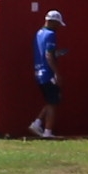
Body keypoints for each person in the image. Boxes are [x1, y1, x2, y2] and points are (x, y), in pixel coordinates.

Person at [30, 9, 65, 139]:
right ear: (52, 22)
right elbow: (48, 55)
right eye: (58, 24)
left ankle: (37, 123)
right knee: (53, 102)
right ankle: (47, 132)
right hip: (48, 73)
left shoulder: (39, 33)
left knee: (51, 100)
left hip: (39, 72)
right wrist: (57, 73)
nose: (58, 27)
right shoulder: (51, 34)